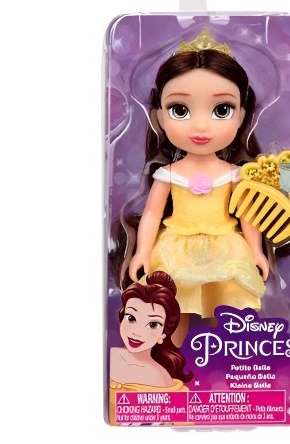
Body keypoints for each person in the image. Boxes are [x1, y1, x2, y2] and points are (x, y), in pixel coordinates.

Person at [119, 28, 269, 346]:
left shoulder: (234, 174)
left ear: (242, 115)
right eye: (180, 110)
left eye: (221, 110)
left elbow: (247, 214)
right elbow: (151, 215)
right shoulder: (168, 174)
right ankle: (171, 362)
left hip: (227, 246)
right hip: (175, 247)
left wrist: (256, 250)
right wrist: (142, 250)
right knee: (173, 309)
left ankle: (226, 359)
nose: (201, 126)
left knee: (226, 302)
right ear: (160, 116)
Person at [109, 271, 192, 424]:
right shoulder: (110, 357)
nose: (136, 332)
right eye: (131, 318)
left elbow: (179, 419)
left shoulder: (158, 377)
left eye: (153, 324)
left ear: (164, 333)